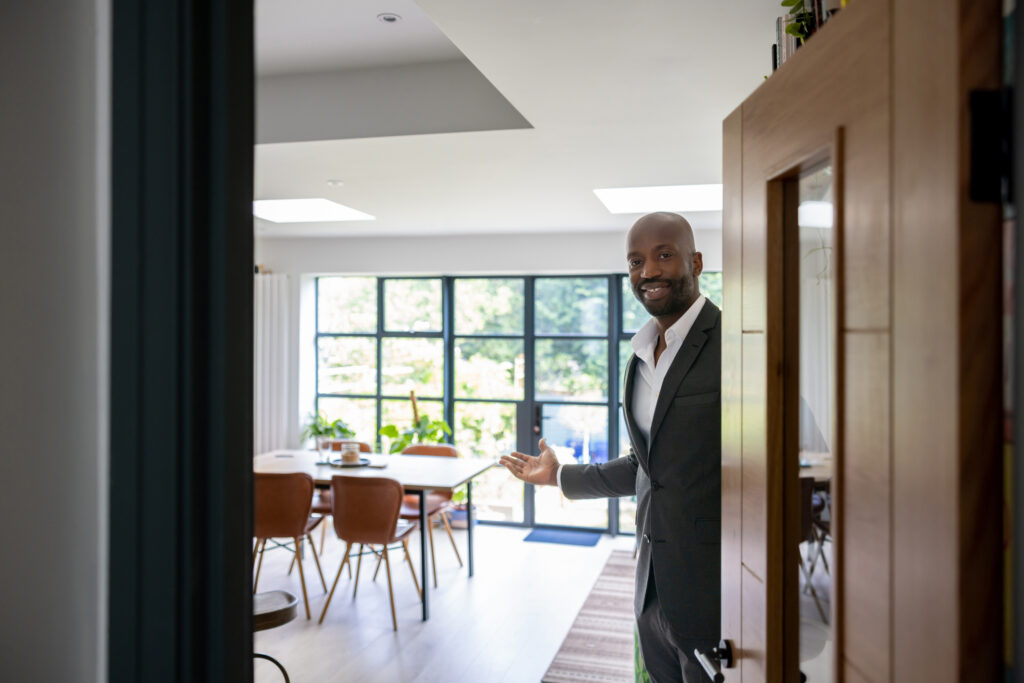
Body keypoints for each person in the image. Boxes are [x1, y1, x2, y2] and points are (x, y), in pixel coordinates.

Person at [500, 212, 721, 683]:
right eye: (636, 261)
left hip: (715, 584)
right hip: (651, 580)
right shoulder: (642, 355)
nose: (649, 272)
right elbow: (649, 469)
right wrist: (558, 476)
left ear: (696, 262)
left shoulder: (737, 345)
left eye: (664, 255)